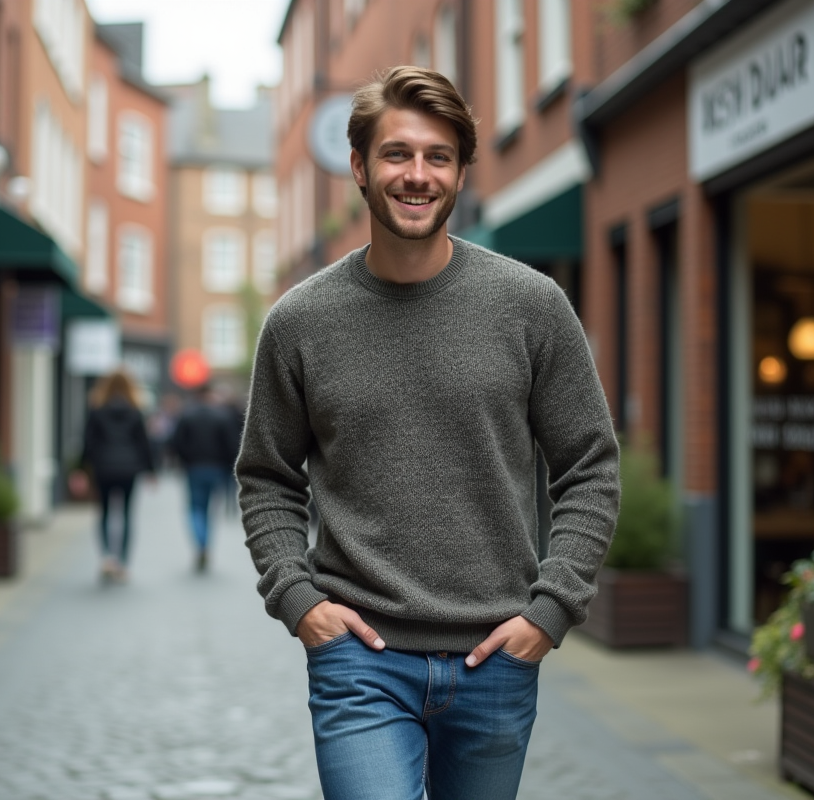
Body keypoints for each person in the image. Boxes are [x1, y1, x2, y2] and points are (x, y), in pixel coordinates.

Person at [235, 66, 620, 800]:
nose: (417, 175)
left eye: (438, 157)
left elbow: (590, 466)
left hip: (496, 657)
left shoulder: (531, 306)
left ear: (461, 171)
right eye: (397, 154)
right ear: (359, 166)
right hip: (360, 661)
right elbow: (267, 476)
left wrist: (551, 609)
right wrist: (298, 598)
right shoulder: (300, 321)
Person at [81, 369, 155, 583]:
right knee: (126, 514)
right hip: (129, 469)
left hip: (103, 467)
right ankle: (122, 563)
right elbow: (143, 444)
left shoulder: (97, 410)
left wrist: (81, 468)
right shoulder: (135, 411)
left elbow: (88, 442)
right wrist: (150, 470)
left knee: (104, 512)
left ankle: (106, 557)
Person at [170, 383, 239, 572]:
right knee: (209, 509)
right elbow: (231, 445)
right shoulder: (222, 416)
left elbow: (176, 442)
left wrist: (185, 459)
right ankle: (205, 546)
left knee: (195, 508)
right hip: (216, 468)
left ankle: (201, 545)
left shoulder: (187, 415)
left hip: (193, 468)